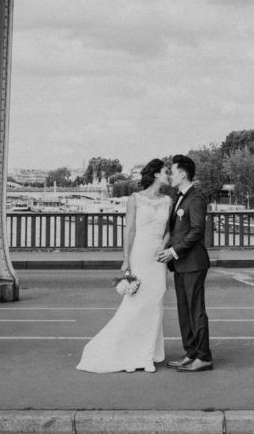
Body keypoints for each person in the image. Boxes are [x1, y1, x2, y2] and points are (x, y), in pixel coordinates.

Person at [76, 158, 171, 373]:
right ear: (156, 174)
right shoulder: (135, 199)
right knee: (136, 304)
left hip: (158, 257)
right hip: (140, 253)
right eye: (167, 171)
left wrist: (163, 246)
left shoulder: (168, 201)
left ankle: (147, 354)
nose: (169, 175)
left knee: (155, 303)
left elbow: (169, 230)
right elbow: (129, 230)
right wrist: (126, 258)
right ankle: (128, 351)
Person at [157, 154, 212, 372]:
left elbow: (197, 231)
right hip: (181, 263)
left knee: (196, 310)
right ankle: (191, 353)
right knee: (184, 310)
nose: (170, 175)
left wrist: (172, 251)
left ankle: (204, 356)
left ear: (183, 173)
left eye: (172, 171)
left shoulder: (196, 198)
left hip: (193, 263)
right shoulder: (181, 196)